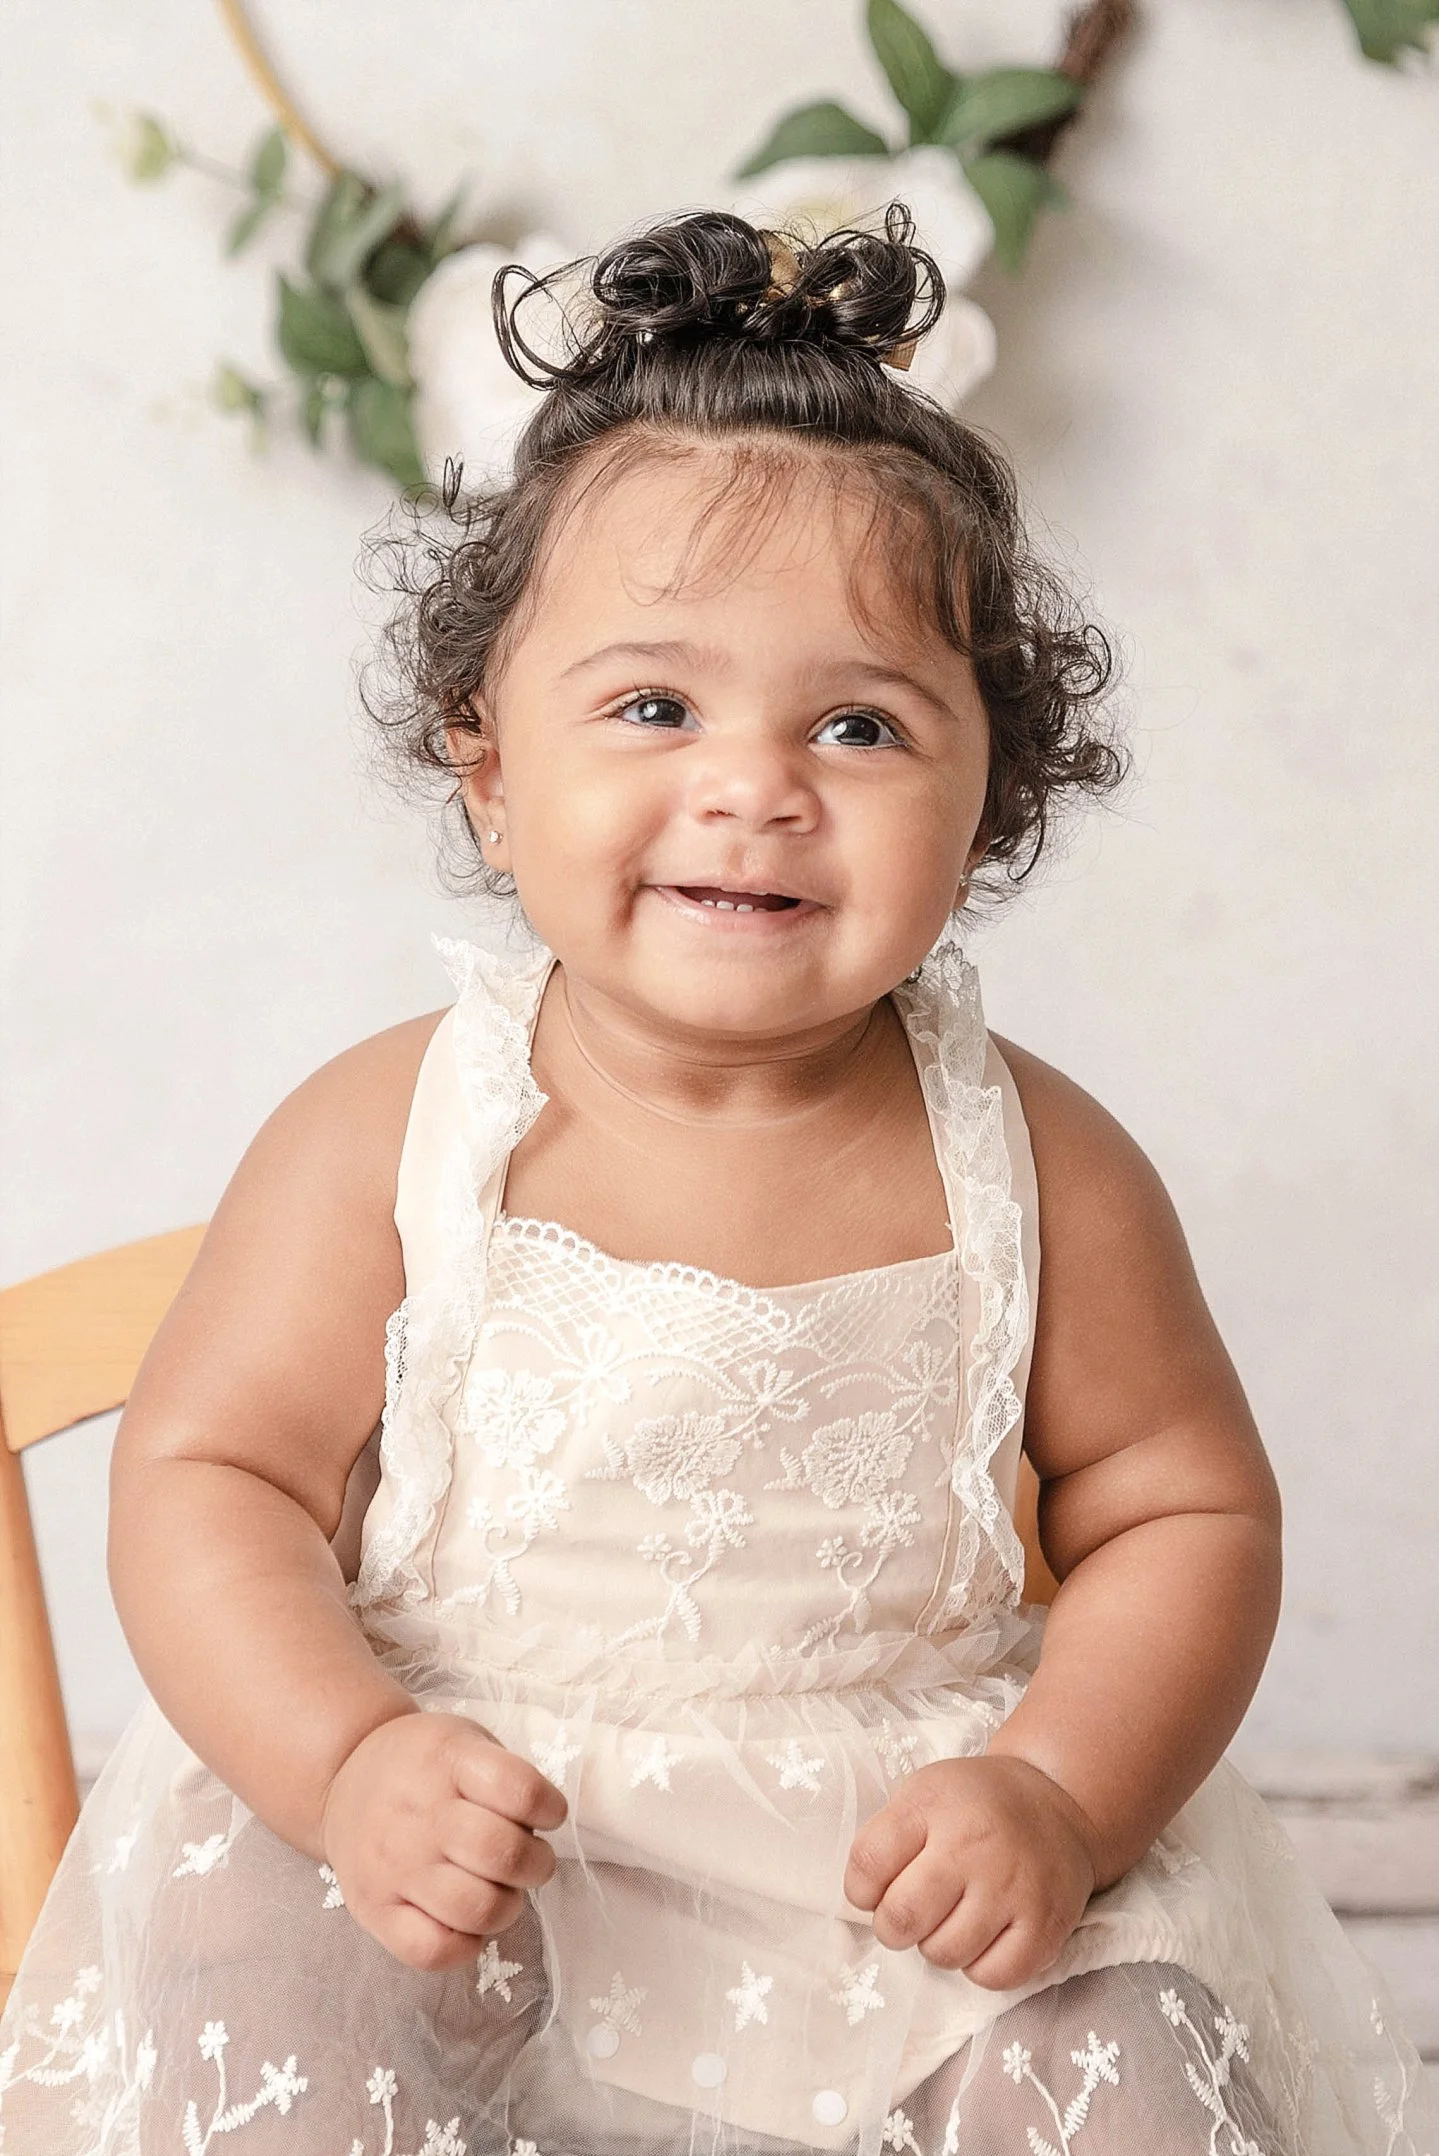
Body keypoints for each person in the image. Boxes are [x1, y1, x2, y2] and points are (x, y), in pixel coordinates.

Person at [1, 206, 1431, 2156]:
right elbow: (211, 1472)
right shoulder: (395, 1130)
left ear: (987, 790)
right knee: (269, 1942)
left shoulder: (1038, 1161)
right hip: (472, 1824)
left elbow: (1183, 1509)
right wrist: (343, 1761)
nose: (753, 782)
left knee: (1104, 2053)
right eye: (655, 705)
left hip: (884, 1877)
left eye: (855, 722)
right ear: (490, 770)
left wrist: (1060, 1791)